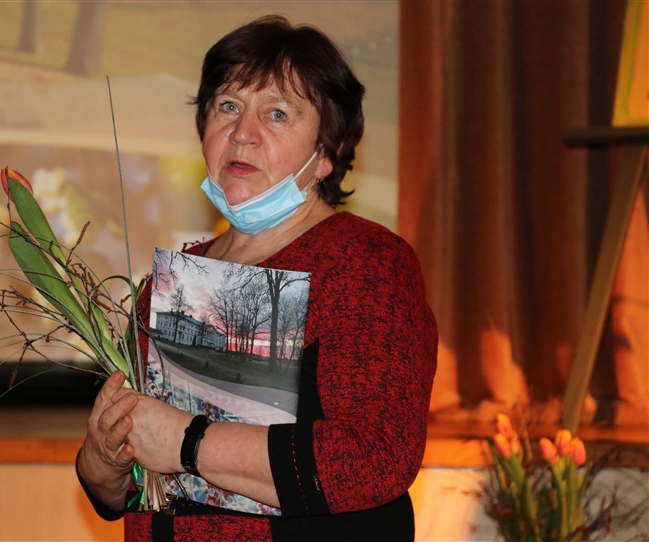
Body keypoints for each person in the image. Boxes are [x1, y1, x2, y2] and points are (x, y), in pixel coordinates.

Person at [76, 15, 437, 541]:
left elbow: (374, 457)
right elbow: (127, 495)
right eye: (227, 106)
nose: (242, 133)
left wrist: (187, 442)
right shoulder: (171, 282)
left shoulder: (364, 263)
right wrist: (102, 460)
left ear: (327, 153)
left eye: (277, 113)